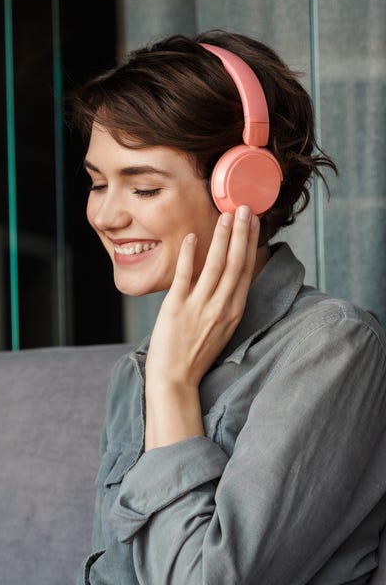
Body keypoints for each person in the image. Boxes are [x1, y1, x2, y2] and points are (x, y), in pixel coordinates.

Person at [73, 30, 386, 584]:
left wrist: (172, 387)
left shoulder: (335, 347)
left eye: (143, 188)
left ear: (244, 189)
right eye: (98, 184)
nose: (106, 216)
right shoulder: (136, 370)